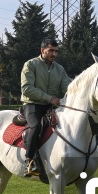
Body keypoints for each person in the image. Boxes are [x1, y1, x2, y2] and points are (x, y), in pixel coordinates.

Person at [20, 38, 71, 177]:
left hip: (51, 106)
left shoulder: (60, 69)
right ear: (42, 51)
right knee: (36, 126)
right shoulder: (30, 65)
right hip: (32, 105)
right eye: (51, 51)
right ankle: (29, 161)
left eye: (56, 51)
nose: (54, 54)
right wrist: (50, 98)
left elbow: (68, 87)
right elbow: (27, 89)